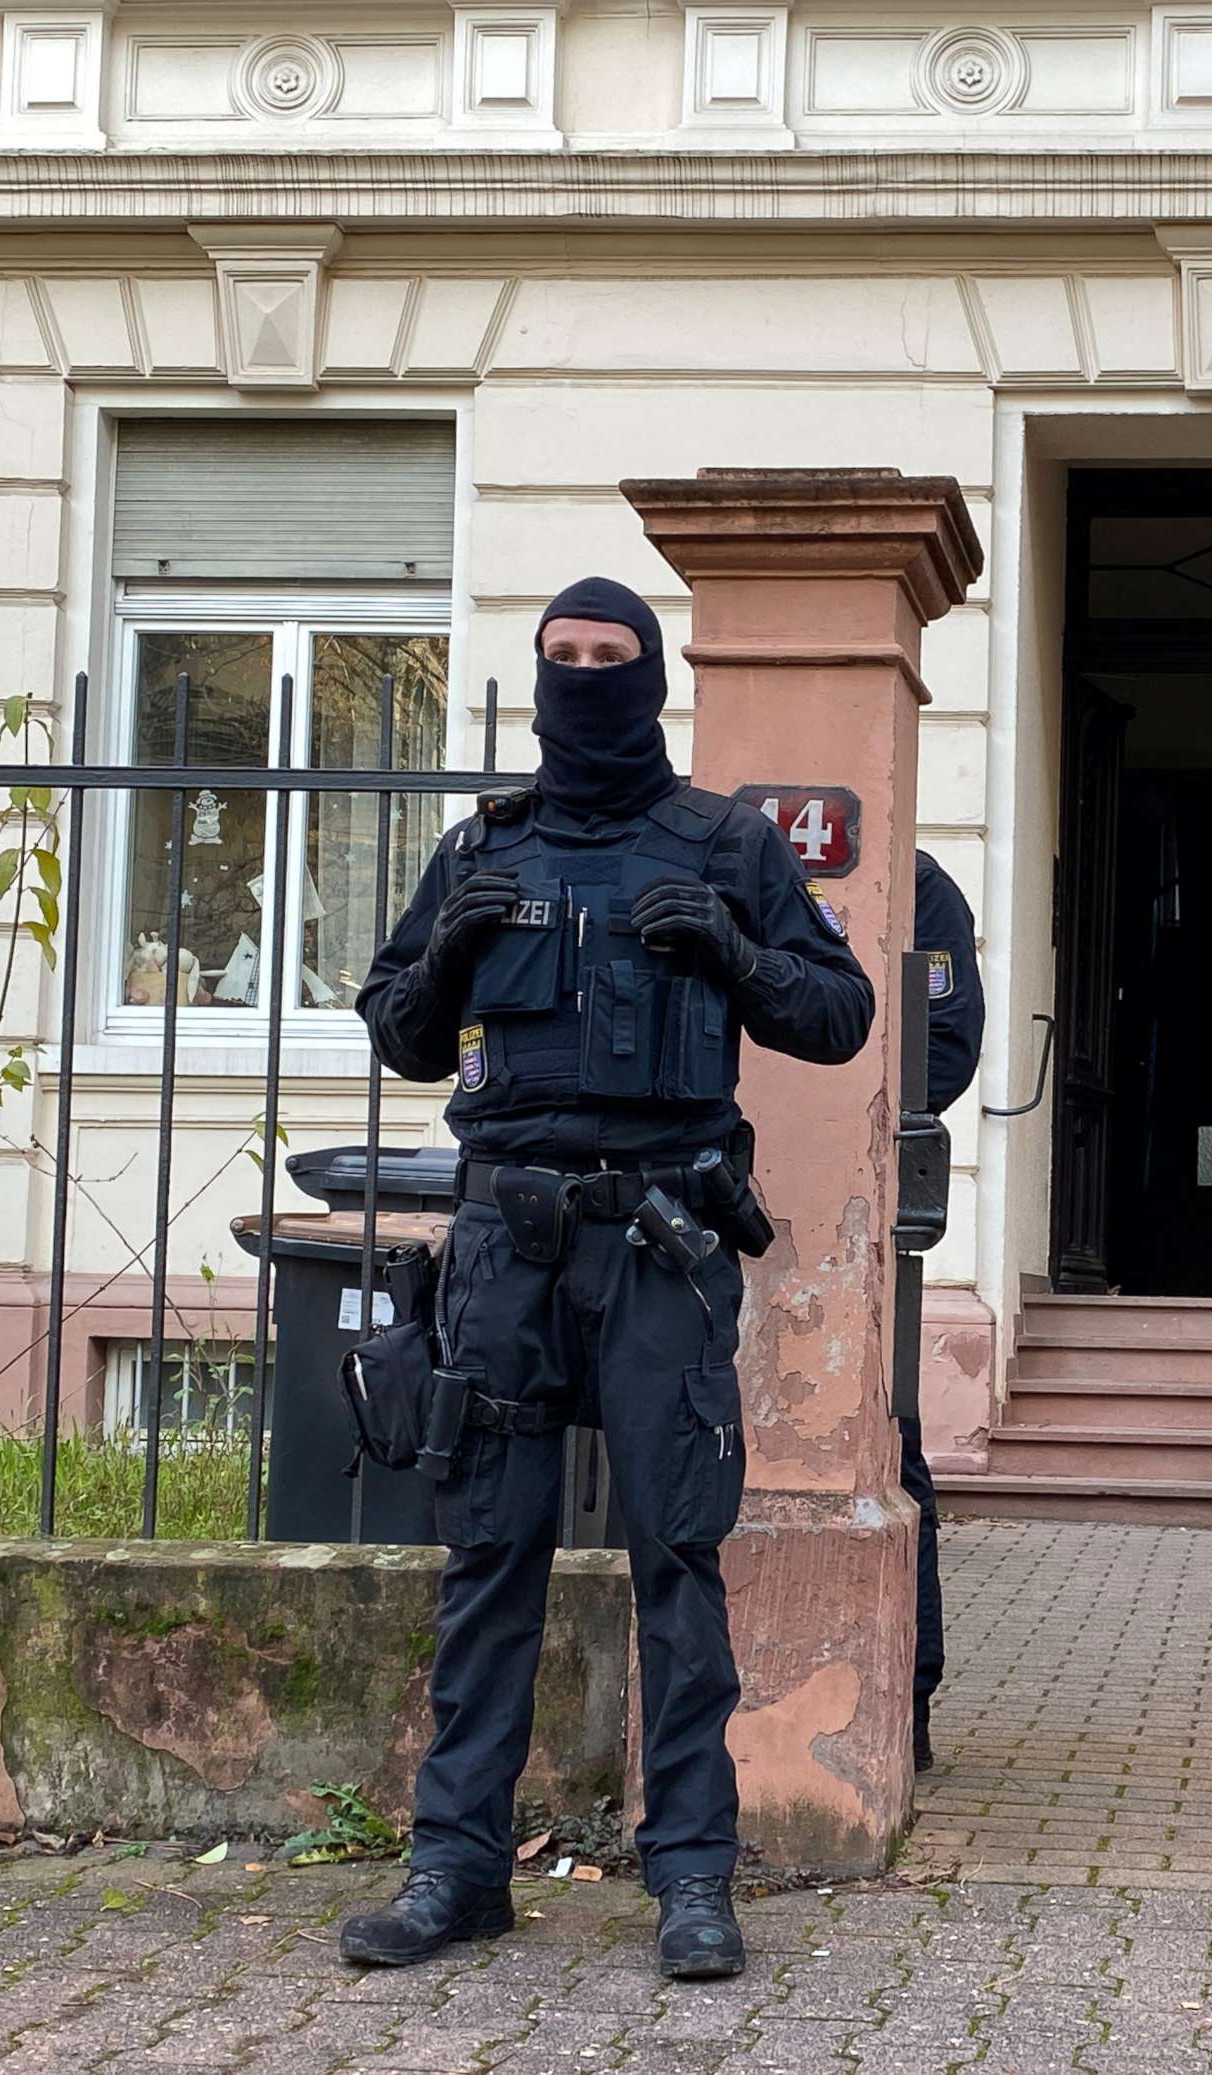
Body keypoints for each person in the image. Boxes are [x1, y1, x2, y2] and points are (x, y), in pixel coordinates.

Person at [343, 577, 874, 1980]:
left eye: (609, 656)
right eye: (560, 658)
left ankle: (692, 1874)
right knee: (488, 1560)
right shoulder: (477, 846)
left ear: (649, 675)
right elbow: (400, 1027)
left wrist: (736, 946)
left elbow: (840, 1013)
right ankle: (457, 1866)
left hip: (659, 1248)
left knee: (677, 1562)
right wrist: (451, 947)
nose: (582, 677)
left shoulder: (729, 843)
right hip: (507, 1252)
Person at [904, 850, 983, 1773]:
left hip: (862, 1195)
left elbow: (947, 1041)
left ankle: (908, 1692)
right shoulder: (733, 848)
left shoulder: (916, 885)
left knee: (892, 1442)